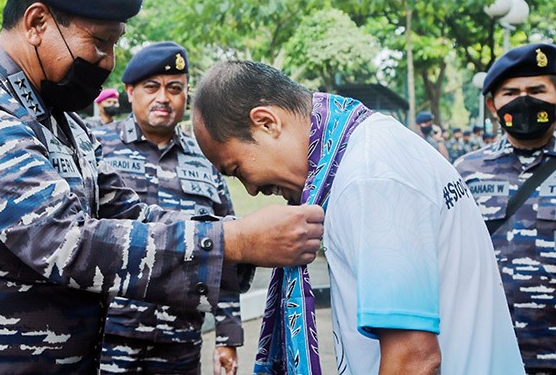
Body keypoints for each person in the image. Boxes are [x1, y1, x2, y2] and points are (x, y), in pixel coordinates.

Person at [0, 0, 324, 374]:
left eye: (115, 44)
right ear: (37, 22)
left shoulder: (66, 125)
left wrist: (242, 241)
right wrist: (235, 241)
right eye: (100, 41)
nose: (107, 60)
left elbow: (132, 217)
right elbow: (64, 242)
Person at [191, 60, 524, 375]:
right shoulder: (372, 146)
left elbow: (413, 360)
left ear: (267, 123)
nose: (250, 190)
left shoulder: (369, 176)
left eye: (237, 169)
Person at [94, 42, 242, 374]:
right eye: (152, 87)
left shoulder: (205, 159)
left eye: (174, 88)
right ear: (130, 92)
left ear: (186, 95)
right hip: (107, 338)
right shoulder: (97, 148)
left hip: (181, 340)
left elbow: (227, 246)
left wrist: (227, 334)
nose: (163, 97)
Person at [454, 42, 556, 374]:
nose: (524, 101)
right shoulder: (466, 172)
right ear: (492, 104)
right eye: (510, 93)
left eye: (537, 90)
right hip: (492, 354)